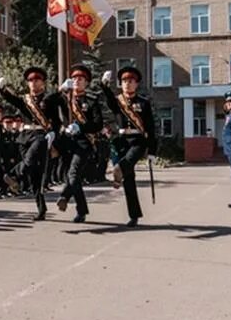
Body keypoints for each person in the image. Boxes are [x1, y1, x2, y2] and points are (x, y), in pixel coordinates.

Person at [0, 67, 65, 221]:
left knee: (29, 160)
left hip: (41, 136)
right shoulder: (25, 100)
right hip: (25, 137)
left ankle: (12, 175)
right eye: (30, 81)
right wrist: (1, 89)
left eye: (37, 80)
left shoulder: (49, 99)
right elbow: (11, 99)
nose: (33, 83)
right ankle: (41, 209)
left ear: (43, 82)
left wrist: (54, 132)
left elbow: (56, 120)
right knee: (34, 175)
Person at [100, 67, 157, 227]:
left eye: (131, 81)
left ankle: (118, 169)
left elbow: (151, 128)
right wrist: (104, 85)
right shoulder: (118, 102)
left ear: (136, 84)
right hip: (122, 140)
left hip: (138, 141)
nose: (127, 84)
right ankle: (134, 215)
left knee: (128, 162)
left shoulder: (144, 103)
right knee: (129, 180)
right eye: (124, 81)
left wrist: (152, 151)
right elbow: (110, 100)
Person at [56, 64, 103, 223]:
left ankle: (71, 202)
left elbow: (98, 124)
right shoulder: (65, 98)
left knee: (73, 174)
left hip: (84, 143)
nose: (77, 80)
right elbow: (47, 105)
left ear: (86, 82)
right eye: (74, 78)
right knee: (69, 176)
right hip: (66, 142)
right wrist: (59, 90)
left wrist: (80, 127)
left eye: (81, 79)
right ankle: (77, 206)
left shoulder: (91, 100)